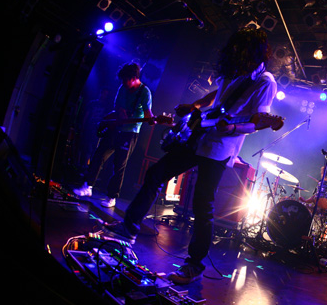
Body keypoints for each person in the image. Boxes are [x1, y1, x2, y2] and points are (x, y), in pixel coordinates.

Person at [103, 27, 277, 284]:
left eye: (241, 51)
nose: (235, 54)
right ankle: (128, 229)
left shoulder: (265, 82)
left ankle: (194, 265)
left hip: (219, 148)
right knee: (155, 174)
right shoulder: (235, 70)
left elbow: (259, 121)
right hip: (199, 136)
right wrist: (195, 105)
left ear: (253, 52)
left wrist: (232, 128)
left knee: (202, 204)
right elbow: (219, 96)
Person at [73, 62, 154, 208]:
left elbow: (148, 116)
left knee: (119, 166)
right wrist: (121, 115)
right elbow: (118, 107)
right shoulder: (123, 88)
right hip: (116, 129)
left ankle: (112, 197)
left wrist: (153, 120)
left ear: (134, 78)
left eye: (125, 80)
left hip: (130, 133)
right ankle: (88, 186)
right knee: (98, 156)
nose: (123, 83)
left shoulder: (145, 92)